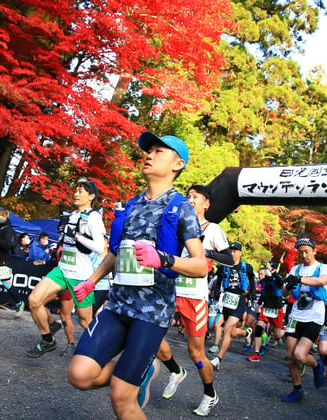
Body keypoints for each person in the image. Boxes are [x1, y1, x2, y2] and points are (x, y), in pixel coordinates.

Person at [67, 131, 207, 420]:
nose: (149, 154)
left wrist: (164, 259)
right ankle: (145, 372)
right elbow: (117, 253)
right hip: (118, 305)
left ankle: (133, 378)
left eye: (159, 151)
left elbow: (201, 265)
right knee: (79, 375)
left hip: (151, 314)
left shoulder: (181, 208)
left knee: (121, 396)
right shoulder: (131, 205)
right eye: (149, 150)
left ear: (177, 164)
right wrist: (91, 281)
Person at [155, 184, 233, 416]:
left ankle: (210, 394)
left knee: (196, 352)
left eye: (195, 197)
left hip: (194, 297)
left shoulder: (212, 229)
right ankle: (175, 370)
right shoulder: (177, 225)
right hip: (171, 291)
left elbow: (229, 258)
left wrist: (204, 253)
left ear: (206, 203)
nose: (190, 200)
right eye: (188, 197)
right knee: (151, 335)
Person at [26, 178, 105, 358]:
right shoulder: (71, 215)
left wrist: (75, 235)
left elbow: (99, 247)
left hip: (80, 275)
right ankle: (48, 340)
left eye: (81, 191)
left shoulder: (93, 217)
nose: (76, 194)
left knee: (86, 321)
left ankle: (100, 351)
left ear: (91, 196)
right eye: (75, 190)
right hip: (62, 270)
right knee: (34, 300)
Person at [280, 236, 327, 402]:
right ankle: (297, 389)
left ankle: (317, 365)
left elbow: (322, 281)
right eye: (300, 253)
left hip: (313, 317)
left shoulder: (323, 268)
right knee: (290, 356)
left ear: (314, 251)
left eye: (307, 252)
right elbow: (284, 294)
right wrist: (288, 285)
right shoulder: (295, 269)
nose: (303, 255)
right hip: (295, 316)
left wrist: (300, 280)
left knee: (300, 355)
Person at [209, 242, 255, 371]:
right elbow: (218, 280)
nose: (233, 253)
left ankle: (218, 358)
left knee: (227, 328)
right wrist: (216, 291)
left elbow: (251, 278)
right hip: (226, 300)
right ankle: (246, 333)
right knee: (231, 331)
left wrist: (252, 293)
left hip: (239, 300)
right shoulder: (223, 266)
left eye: (235, 251)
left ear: (240, 253)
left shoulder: (247, 267)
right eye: (231, 251)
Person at [246, 262, 286, 362]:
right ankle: (256, 354)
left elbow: (281, 282)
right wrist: (258, 305)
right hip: (266, 307)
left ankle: (286, 330)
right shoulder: (263, 281)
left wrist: (273, 271)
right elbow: (263, 294)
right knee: (259, 328)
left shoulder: (277, 279)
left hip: (276, 309)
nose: (268, 270)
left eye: (270, 268)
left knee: (277, 334)